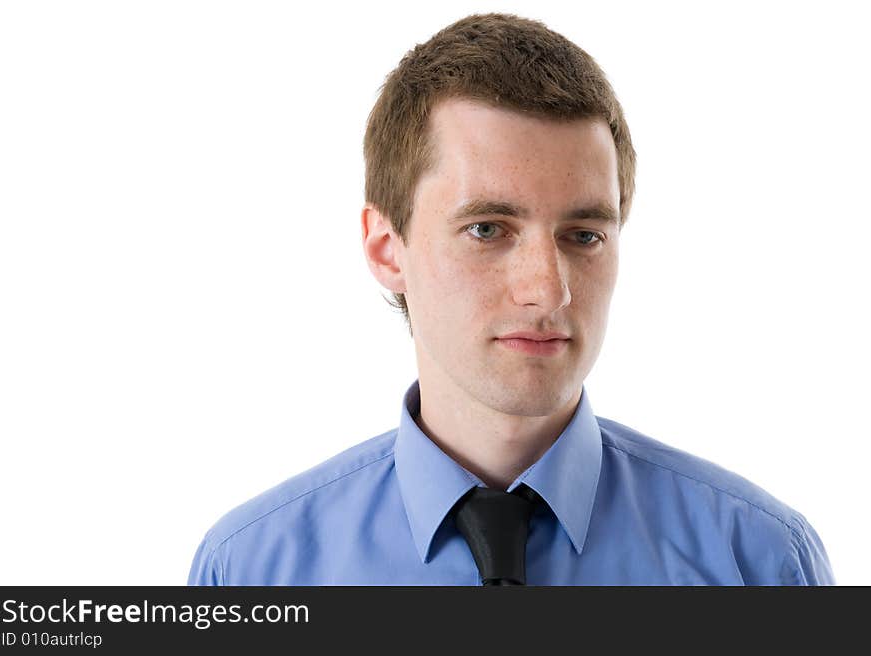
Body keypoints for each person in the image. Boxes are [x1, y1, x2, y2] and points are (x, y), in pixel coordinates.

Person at [188, 12, 834, 585]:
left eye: (584, 235)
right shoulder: (251, 574)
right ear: (388, 249)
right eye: (487, 230)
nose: (549, 289)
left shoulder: (759, 565)